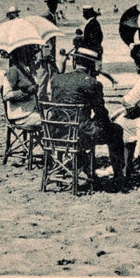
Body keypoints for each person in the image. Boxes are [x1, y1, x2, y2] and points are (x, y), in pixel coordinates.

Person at [50, 47, 127, 182]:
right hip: (79, 134)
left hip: (56, 132)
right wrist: (102, 120)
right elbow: (101, 113)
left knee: (84, 124)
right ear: (91, 65)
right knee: (116, 130)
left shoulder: (57, 79)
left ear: (75, 62)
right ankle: (119, 175)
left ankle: (78, 166)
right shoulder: (92, 83)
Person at [1, 45, 42, 128]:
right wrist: (25, 91)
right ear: (22, 55)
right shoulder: (13, 70)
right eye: (31, 54)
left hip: (31, 111)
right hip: (20, 116)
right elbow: (6, 95)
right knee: (50, 120)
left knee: (54, 116)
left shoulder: (27, 70)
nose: (34, 57)